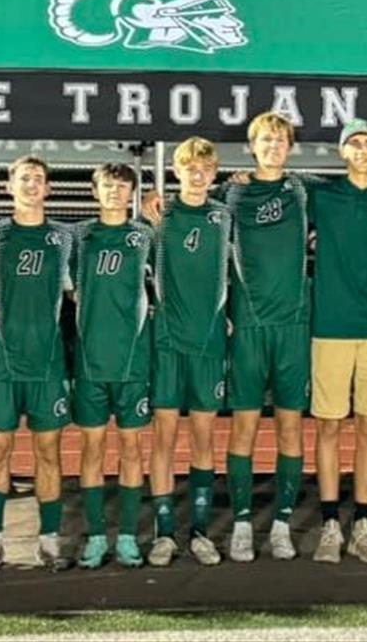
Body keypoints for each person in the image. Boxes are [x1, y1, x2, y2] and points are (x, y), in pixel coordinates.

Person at [0, 156, 75, 574]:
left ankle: (49, 541)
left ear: (48, 188)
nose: (31, 185)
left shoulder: (64, 238)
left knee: (48, 453)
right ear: (8, 187)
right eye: (24, 178)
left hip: (47, 364)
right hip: (1, 364)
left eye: (38, 179)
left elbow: (75, 292)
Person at [221, 112, 312, 562]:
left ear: (290, 147)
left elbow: (359, 186)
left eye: (281, 139)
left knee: (291, 427)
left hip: (292, 326)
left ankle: (281, 525)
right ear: (251, 146)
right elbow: (190, 205)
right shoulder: (231, 192)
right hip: (249, 325)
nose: (274, 146)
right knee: (245, 427)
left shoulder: (302, 189)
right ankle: (241, 524)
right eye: (266, 139)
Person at [308, 118, 367, 565]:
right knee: (328, 426)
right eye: (354, 143)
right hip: (330, 326)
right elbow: (271, 185)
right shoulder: (320, 196)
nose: (362, 150)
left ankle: (361, 522)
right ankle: (329, 523)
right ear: (342, 151)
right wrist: (242, 181)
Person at [147, 137, 230, 568]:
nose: (197, 175)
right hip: (167, 341)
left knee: (203, 436)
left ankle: (199, 530)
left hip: (209, 341)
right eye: (190, 168)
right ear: (176, 171)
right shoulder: (159, 215)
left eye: (205, 168)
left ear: (214, 174)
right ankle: (164, 532)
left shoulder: (224, 216)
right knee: (163, 436)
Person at [72, 163, 155, 570]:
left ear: (132, 193)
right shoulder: (77, 237)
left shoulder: (145, 236)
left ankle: (126, 536)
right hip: (90, 361)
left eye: (123, 186)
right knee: (92, 449)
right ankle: (94, 536)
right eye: (108, 185)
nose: (115, 192)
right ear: (95, 191)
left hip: (132, 361)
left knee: (132, 449)